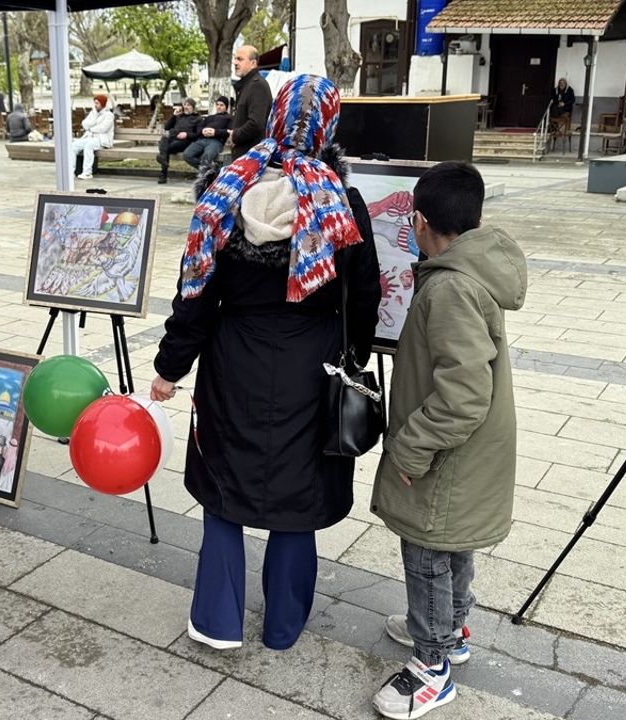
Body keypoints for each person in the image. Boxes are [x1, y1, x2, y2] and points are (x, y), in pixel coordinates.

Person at [150, 74, 380, 653]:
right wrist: (353, 356)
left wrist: (169, 367)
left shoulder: (224, 190)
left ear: (275, 117)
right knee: (297, 499)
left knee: (225, 491)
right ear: (328, 125)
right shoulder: (340, 201)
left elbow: (195, 294)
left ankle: (219, 621)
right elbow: (366, 295)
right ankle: (282, 626)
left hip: (234, 362)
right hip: (314, 365)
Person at [369, 162, 527, 719]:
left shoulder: (452, 288)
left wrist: (410, 446)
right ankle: (452, 632)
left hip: (448, 454)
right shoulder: (466, 271)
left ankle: (431, 666)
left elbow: (463, 394)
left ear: (418, 219)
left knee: (429, 552)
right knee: (451, 544)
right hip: (468, 451)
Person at [228, 45, 271, 159]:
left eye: (240, 59)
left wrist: (235, 135)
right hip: (243, 155)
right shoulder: (246, 85)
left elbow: (256, 124)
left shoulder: (257, 85)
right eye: (235, 59)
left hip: (251, 157)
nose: (235, 62)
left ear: (253, 63)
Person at [156, 97, 201, 184]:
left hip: (185, 141)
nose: (186, 107)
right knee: (164, 139)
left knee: (166, 149)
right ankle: (163, 162)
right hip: (172, 138)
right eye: (185, 105)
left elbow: (198, 135)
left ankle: (163, 174)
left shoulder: (198, 119)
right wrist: (174, 115)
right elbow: (166, 127)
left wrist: (187, 134)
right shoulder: (179, 116)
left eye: (189, 105)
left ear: (193, 107)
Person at [72, 93, 115, 180]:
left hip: (102, 140)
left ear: (102, 104)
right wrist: (94, 123)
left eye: (97, 103)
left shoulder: (109, 115)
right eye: (95, 103)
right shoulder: (93, 113)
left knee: (89, 146)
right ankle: (71, 171)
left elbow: (103, 128)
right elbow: (84, 123)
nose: (95, 105)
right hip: (90, 137)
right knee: (73, 146)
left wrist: (91, 128)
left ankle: (87, 172)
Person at [183, 96, 232, 171]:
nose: (219, 107)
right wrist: (203, 131)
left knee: (206, 158)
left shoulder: (229, 118)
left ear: (226, 107)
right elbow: (198, 129)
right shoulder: (209, 117)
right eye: (217, 104)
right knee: (186, 155)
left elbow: (229, 131)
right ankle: (211, 170)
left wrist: (215, 132)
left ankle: (205, 174)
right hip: (201, 140)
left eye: (221, 105)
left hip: (216, 142)